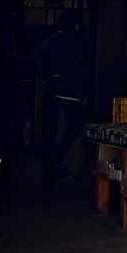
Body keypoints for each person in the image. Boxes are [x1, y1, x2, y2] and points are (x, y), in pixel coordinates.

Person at [38, 13, 93, 190]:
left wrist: (50, 79)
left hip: (52, 91)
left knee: (49, 132)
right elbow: (84, 68)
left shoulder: (49, 42)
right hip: (72, 94)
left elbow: (39, 65)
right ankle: (55, 159)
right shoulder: (78, 42)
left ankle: (49, 171)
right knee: (77, 126)